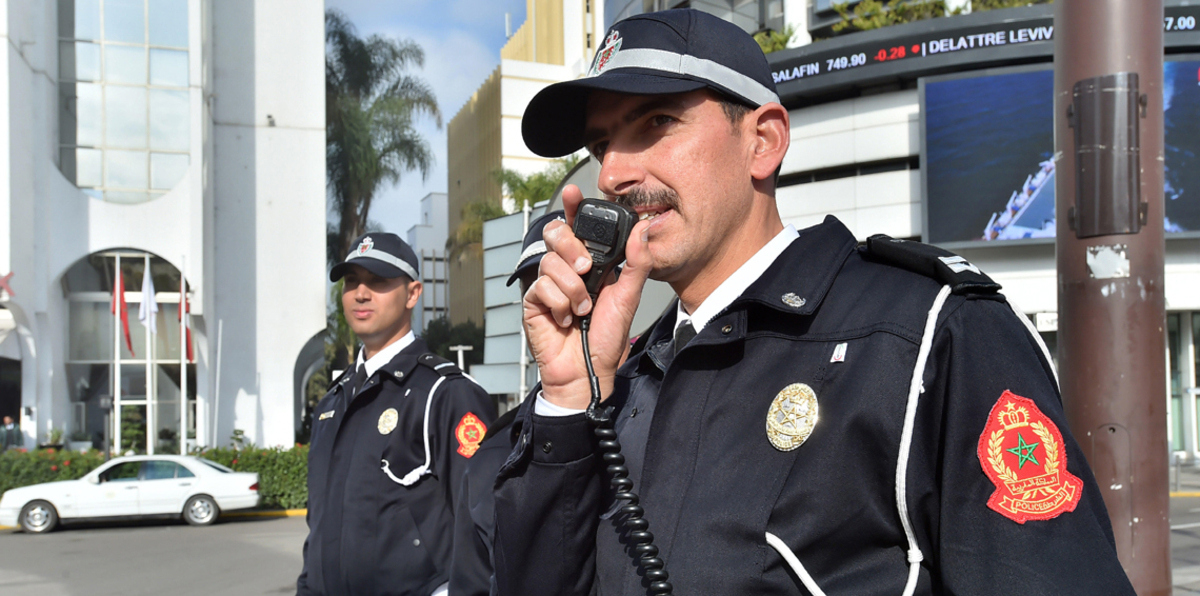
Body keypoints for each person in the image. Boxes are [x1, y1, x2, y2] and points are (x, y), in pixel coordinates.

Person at [492, 8, 1135, 596]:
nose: (612, 175)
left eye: (656, 123)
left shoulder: (929, 335)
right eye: (601, 146)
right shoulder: (617, 380)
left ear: (763, 141)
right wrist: (569, 401)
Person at [298, 232, 496, 596]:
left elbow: (483, 524)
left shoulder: (445, 393)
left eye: (378, 281)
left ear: (413, 293)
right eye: (351, 281)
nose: (360, 293)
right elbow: (320, 525)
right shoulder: (331, 403)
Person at [448, 210, 565, 596]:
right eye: (536, 293)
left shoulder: (666, 417)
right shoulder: (493, 455)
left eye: (572, 284)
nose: (555, 306)